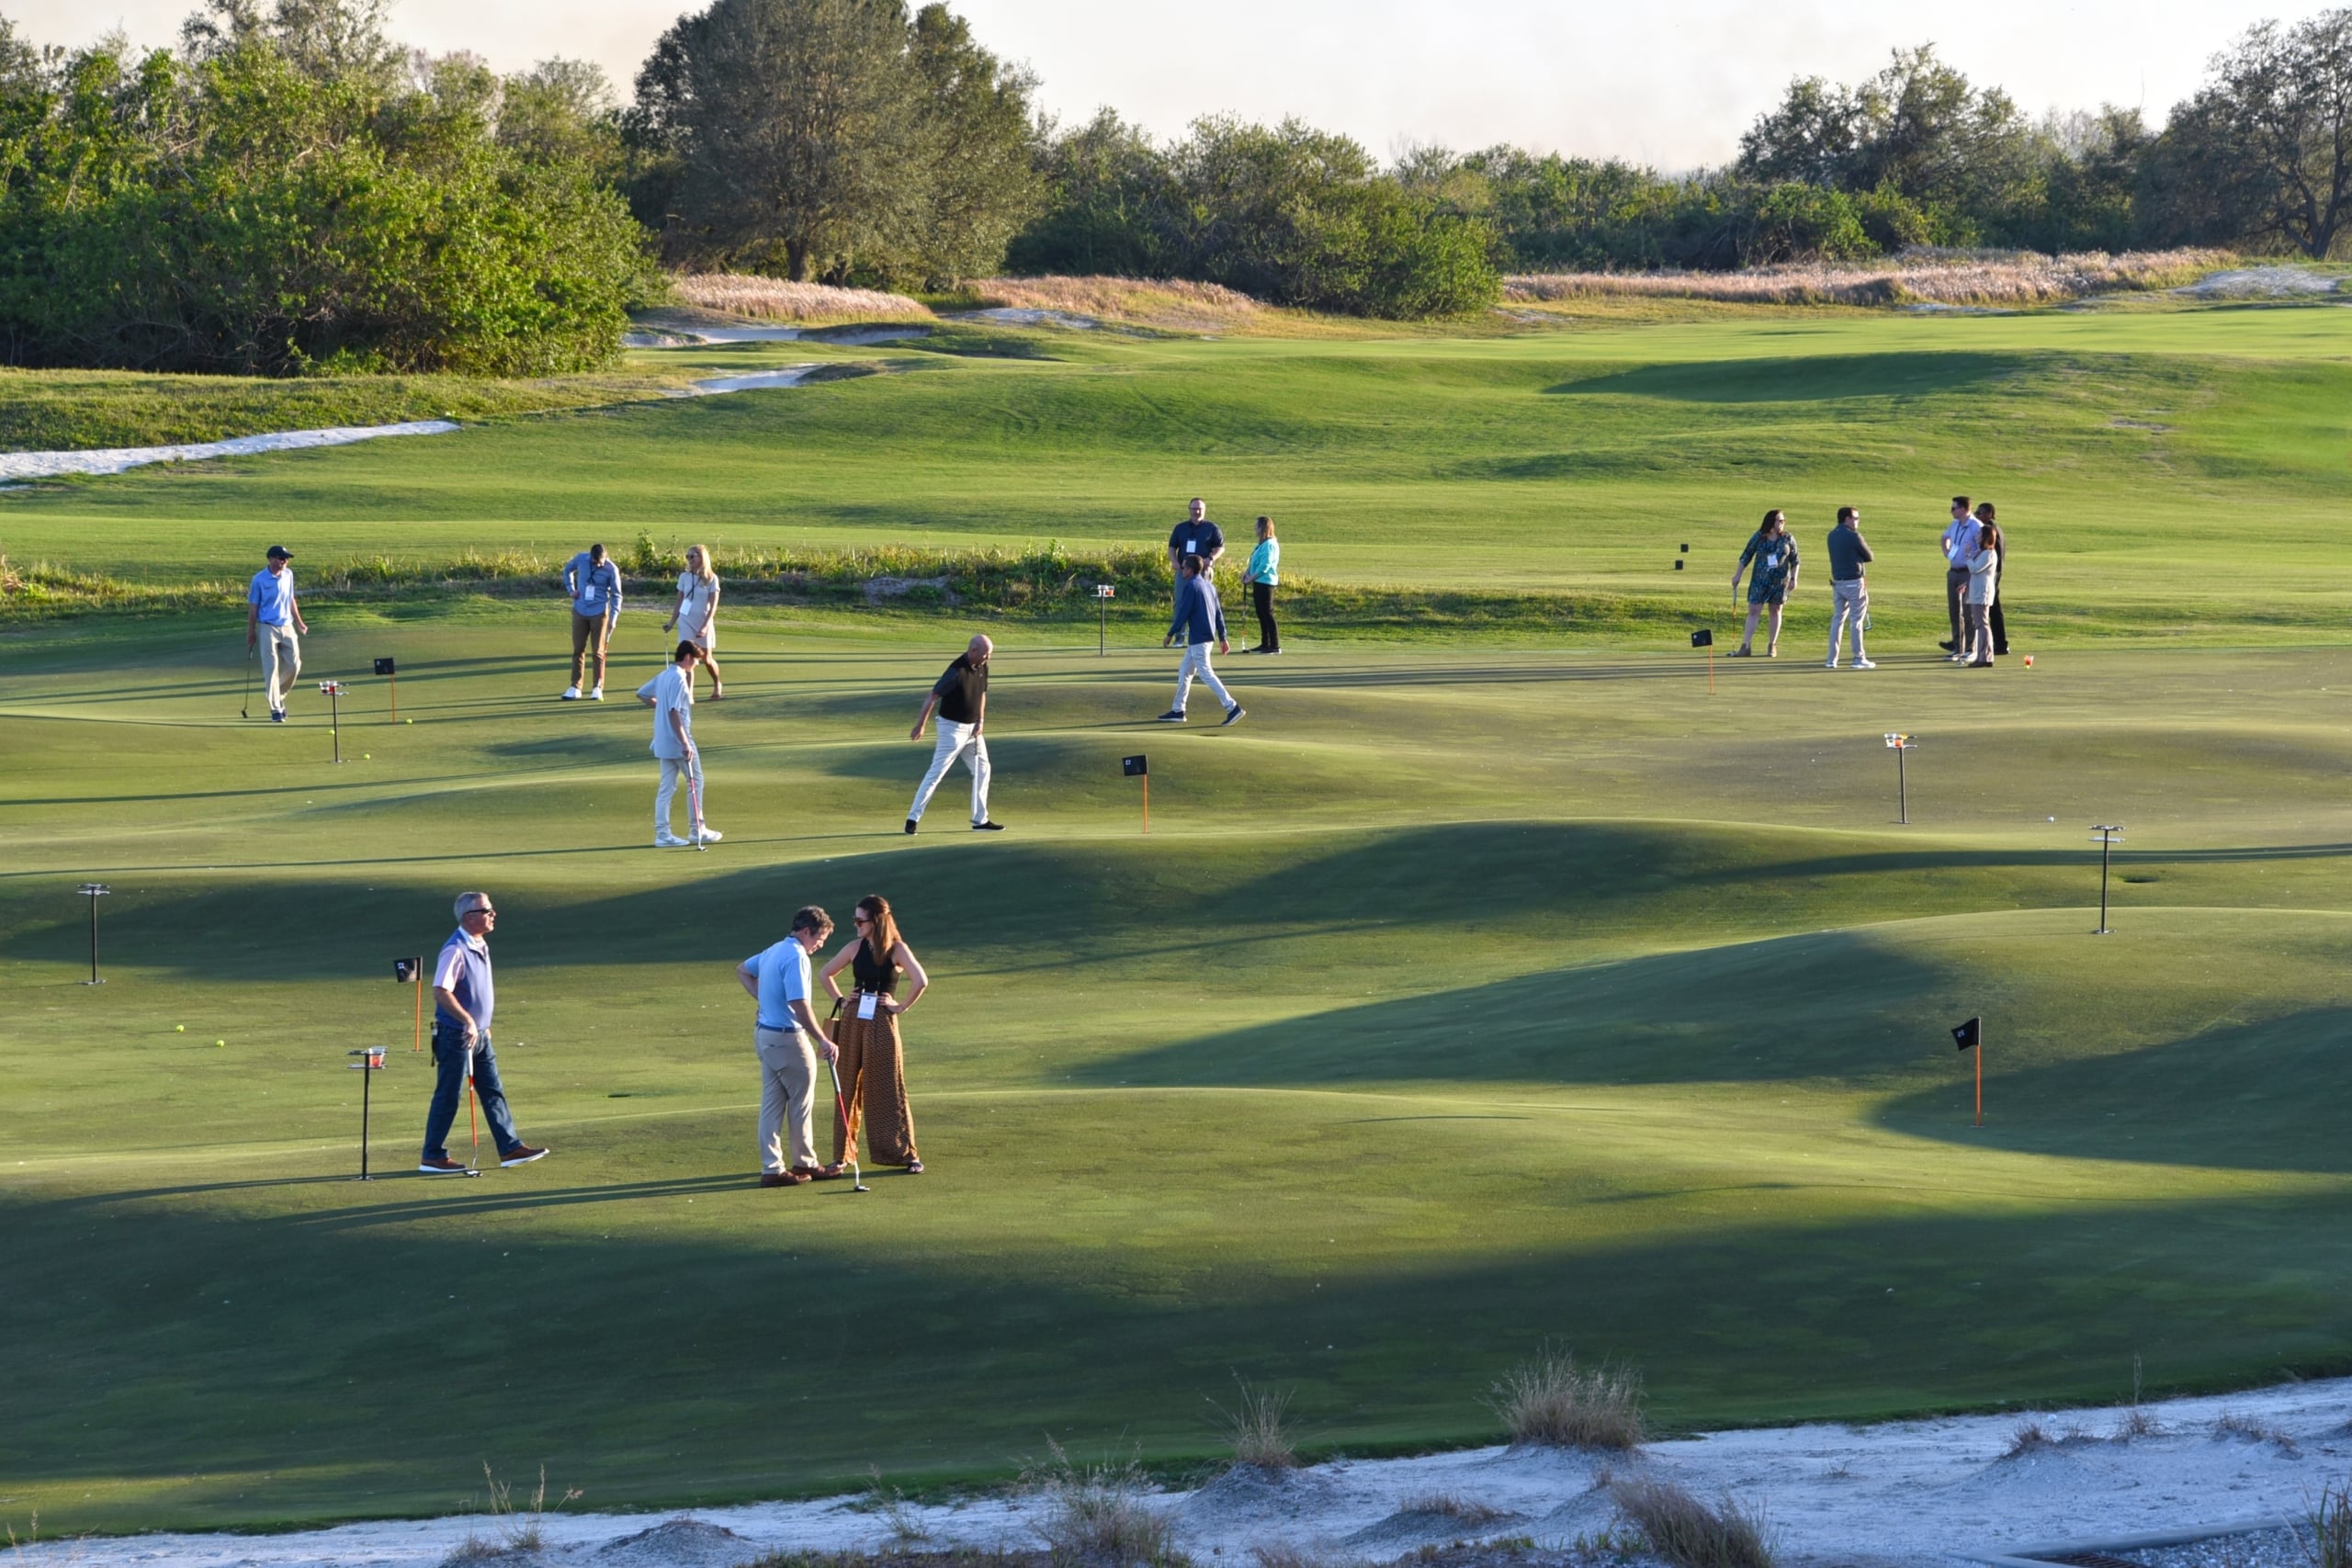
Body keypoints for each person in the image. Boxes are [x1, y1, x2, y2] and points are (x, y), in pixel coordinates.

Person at [418, 892, 548, 1175]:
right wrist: (467, 1021)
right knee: (448, 1095)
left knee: (492, 1091)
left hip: (479, 1035)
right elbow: (441, 990)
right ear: (469, 917)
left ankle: (510, 1147)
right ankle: (432, 1155)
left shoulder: (480, 943)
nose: (493, 914)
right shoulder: (455, 949)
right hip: (456, 1035)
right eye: (486, 910)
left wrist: (481, 1025)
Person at [819, 894, 930, 1176]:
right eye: (855, 919)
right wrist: (843, 1000)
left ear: (877, 921)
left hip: (882, 1020)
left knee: (887, 1086)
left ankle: (905, 1154)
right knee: (844, 1086)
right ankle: (841, 1156)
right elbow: (825, 973)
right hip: (854, 1018)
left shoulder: (897, 949)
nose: (856, 925)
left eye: (860, 920)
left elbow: (921, 980)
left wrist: (900, 1006)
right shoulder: (855, 947)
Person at [737, 906, 837, 1187]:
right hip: (787, 1038)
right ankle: (805, 1162)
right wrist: (823, 1039)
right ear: (806, 931)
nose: (819, 946)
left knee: (772, 1103)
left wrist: (765, 1001)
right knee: (801, 1102)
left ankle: (772, 1168)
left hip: (765, 1036)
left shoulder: (773, 950)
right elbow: (799, 1004)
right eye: (819, 939)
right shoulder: (796, 957)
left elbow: (743, 970)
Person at [906, 635, 1002, 834]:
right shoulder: (955, 671)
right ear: (973, 651)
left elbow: (981, 694)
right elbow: (932, 696)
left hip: (974, 730)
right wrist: (920, 725)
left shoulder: (982, 666)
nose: (988, 659)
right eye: (985, 655)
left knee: (983, 770)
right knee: (936, 773)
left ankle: (980, 820)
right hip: (952, 729)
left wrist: (980, 721)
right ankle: (912, 819)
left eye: (990, 655)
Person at [638, 640, 718, 847]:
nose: (697, 665)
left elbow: (643, 694)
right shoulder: (679, 678)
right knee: (695, 782)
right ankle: (697, 829)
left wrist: (659, 707)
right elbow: (674, 712)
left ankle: (662, 834)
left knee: (666, 787)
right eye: (697, 660)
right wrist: (685, 743)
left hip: (662, 741)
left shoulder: (664, 675)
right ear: (688, 657)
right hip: (678, 740)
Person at [1159, 554, 1245, 724]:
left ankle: (1232, 707)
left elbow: (1183, 612)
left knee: (1206, 674)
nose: (1182, 570)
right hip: (1202, 639)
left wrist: (1171, 633)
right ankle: (1178, 710)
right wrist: (1223, 637)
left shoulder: (1191, 586)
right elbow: (1219, 614)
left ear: (1190, 570)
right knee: (1185, 672)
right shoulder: (1209, 586)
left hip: (1199, 639)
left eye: (1184, 567)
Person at [244, 545, 308, 724]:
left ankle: (278, 694)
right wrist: (251, 631)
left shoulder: (289, 574)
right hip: (267, 628)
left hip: (287, 626)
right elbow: (253, 607)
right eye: (281, 558)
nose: (285, 561)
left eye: (286, 558)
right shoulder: (259, 580)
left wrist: (300, 622)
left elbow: (291, 599)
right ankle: (275, 708)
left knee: (295, 665)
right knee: (271, 669)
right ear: (271, 559)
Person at [1730, 511, 1799, 658]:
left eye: (1783, 521)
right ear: (1771, 522)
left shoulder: (1788, 538)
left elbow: (1795, 560)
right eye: (1779, 521)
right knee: (1754, 610)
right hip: (1759, 581)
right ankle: (1746, 645)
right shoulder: (1760, 537)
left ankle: (1772, 645)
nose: (1782, 524)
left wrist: (1794, 578)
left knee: (1775, 610)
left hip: (1780, 582)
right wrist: (1738, 575)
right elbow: (1746, 555)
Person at [561, 543, 623, 701]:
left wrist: (613, 618)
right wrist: (571, 589)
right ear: (591, 557)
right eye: (596, 562)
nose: (599, 564)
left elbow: (617, 596)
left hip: (600, 613)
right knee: (578, 650)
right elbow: (567, 570)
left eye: (601, 561)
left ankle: (597, 687)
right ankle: (575, 687)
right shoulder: (581, 559)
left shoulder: (611, 569)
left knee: (598, 652)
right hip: (580, 610)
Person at [662, 544, 724, 699]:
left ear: (701, 558)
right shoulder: (684, 577)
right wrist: (671, 623)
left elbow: (713, 606)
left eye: (692, 556)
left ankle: (717, 683)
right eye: (687, 557)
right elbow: (679, 602)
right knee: (687, 658)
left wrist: (704, 626)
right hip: (686, 620)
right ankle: (688, 694)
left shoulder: (711, 579)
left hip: (703, 621)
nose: (689, 559)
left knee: (707, 659)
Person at [1824, 507, 1875, 670]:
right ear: (1846, 519)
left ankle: (1832, 659)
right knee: (1856, 621)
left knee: (1838, 619)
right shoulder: (1854, 536)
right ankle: (1858, 658)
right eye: (1855, 518)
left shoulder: (1831, 535)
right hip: (1854, 582)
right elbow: (1869, 556)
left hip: (1838, 583)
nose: (1857, 521)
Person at [1939, 497, 1980, 660]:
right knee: (1954, 611)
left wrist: (1972, 570)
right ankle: (1958, 648)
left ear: (1963, 509)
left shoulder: (1976, 526)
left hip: (1968, 572)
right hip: (1953, 571)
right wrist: (1947, 552)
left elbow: (1982, 549)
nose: (1951, 511)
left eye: (1954, 508)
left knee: (1968, 612)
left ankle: (1971, 649)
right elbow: (1944, 538)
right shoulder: (1955, 525)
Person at [1962, 519, 2002, 668]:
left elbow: (1974, 569)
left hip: (1982, 593)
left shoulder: (1989, 554)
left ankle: (1985, 657)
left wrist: (1967, 555)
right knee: (1981, 624)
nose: (1976, 535)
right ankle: (1983, 656)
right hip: (1978, 591)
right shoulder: (1983, 553)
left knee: (1982, 624)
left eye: (1979, 534)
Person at [1241, 515, 1281, 654]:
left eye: (1257, 526)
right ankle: (1265, 643)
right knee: (1261, 613)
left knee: (1267, 613)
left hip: (1266, 582)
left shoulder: (1270, 545)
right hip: (1258, 582)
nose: (1255, 529)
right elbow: (1253, 562)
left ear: (1264, 528)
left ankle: (1274, 645)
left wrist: (1250, 578)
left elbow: (1265, 566)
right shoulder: (1260, 545)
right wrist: (1246, 573)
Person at [1975, 501, 2010, 656]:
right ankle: (2000, 644)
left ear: (1989, 514)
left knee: (1991, 610)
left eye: (1979, 513)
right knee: (1994, 610)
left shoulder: (1990, 530)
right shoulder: (1996, 528)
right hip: (1995, 573)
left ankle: (1998, 644)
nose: (1977, 515)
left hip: (1991, 574)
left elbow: (1990, 554)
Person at [1168, 497, 1225, 591]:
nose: (1197, 512)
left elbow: (1220, 547)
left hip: (1203, 570)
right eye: (1194, 509)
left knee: (1201, 599)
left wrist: (1211, 558)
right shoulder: (1180, 528)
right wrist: (1174, 561)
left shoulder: (1212, 528)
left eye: (1199, 509)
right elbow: (1172, 547)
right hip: (1183, 570)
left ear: (1204, 510)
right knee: (1181, 599)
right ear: (1189, 509)